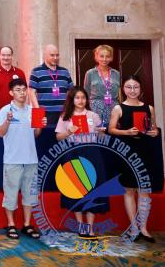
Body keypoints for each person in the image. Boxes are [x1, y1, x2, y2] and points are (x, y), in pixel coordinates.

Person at [108, 75, 159, 243]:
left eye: (135, 87)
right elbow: (111, 129)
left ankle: (143, 228)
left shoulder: (149, 108)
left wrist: (155, 132)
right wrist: (126, 132)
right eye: (129, 87)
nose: (132, 90)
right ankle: (134, 228)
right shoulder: (118, 108)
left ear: (140, 89)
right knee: (129, 190)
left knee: (144, 190)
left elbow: (153, 128)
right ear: (123, 89)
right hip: (127, 153)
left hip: (145, 152)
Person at [0, 78, 45, 240]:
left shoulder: (33, 111)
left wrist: (40, 126)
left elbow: (36, 134)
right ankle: (11, 224)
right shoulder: (5, 110)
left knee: (29, 194)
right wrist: (8, 121)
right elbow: (0, 133)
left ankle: (27, 224)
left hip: (31, 159)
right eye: (18, 90)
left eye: (24, 89)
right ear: (11, 92)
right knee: (10, 193)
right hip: (12, 159)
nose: (22, 93)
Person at [55, 87, 105, 238]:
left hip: (92, 153)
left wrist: (101, 133)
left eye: (83, 97)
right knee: (75, 189)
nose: (81, 100)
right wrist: (69, 131)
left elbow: (101, 137)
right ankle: (81, 226)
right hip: (73, 153)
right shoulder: (65, 116)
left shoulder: (93, 115)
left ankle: (90, 228)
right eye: (77, 98)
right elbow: (58, 137)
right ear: (72, 100)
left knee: (93, 190)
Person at [29, 44, 73, 125]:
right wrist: (38, 111)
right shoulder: (36, 71)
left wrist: (69, 109)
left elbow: (71, 92)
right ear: (45, 55)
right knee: (42, 133)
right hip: (43, 114)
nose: (55, 58)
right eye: (52, 55)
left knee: (63, 133)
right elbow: (31, 92)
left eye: (57, 55)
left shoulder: (65, 71)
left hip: (63, 113)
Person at [0, 46, 26, 124]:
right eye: (3, 55)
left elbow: (24, 92)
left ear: (12, 56)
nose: (6, 58)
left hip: (16, 112)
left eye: (8, 55)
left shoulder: (20, 73)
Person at [83, 44, 120, 129]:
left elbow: (119, 93)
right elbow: (86, 93)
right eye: (101, 56)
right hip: (95, 108)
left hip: (113, 108)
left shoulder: (116, 73)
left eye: (107, 56)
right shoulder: (90, 73)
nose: (104, 59)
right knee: (97, 134)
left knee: (113, 133)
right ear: (96, 57)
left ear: (111, 58)